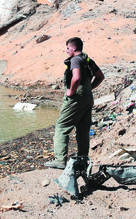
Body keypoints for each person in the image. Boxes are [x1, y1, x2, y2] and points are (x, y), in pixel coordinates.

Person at [45, 37, 104, 169]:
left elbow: (76, 77)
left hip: (77, 96)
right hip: (88, 97)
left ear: (74, 48)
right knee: (83, 128)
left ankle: (60, 159)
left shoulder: (76, 60)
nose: (66, 51)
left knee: (61, 125)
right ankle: (83, 158)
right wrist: (89, 88)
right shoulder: (88, 60)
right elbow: (100, 76)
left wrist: (71, 91)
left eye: (67, 48)